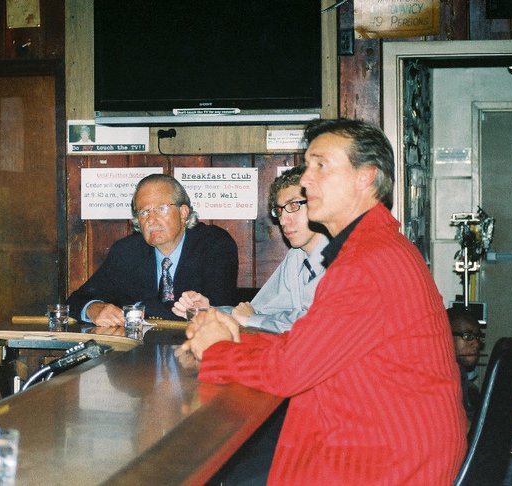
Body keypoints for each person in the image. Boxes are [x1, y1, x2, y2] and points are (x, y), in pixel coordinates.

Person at [179, 119, 467, 485]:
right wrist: (237, 334)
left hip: (387, 462)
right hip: (390, 439)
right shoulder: (375, 247)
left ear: (366, 177)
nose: (306, 179)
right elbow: (312, 346)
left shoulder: (368, 262)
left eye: (320, 165)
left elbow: (288, 372)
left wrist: (218, 350)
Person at [172, 165, 329, 334]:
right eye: (280, 210)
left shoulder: (344, 257)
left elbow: (320, 325)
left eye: (293, 205)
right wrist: (210, 310)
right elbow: (259, 309)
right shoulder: (296, 256)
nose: (283, 220)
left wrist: (252, 319)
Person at [67, 173, 239, 324]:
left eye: (161, 209)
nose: (151, 219)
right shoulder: (127, 251)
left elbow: (223, 308)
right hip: (138, 353)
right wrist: (93, 308)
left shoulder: (214, 245)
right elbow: (76, 300)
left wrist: (136, 309)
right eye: (143, 212)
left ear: (183, 213)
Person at [447, 306, 512, 486]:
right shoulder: (442, 378)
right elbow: (463, 429)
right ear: (445, 336)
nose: (476, 344)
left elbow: (479, 417)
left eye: (478, 337)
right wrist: (507, 433)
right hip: (459, 455)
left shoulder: (463, 376)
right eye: (467, 336)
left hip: (475, 443)